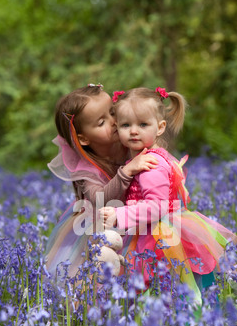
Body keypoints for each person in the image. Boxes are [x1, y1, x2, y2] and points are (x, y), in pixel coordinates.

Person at [100, 87, 237, 304]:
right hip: (156, 230)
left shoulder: (150, 165)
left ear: (160, 127)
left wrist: (119, 215)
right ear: (117, 127)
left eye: (143, 124)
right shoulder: (153, 156)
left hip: (158, 236)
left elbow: (157, 207)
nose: (134, 131)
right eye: (126, 125)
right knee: (170, 287)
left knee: (162, 287)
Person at [45, 84, 159, 280]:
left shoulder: (128, 144)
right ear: (83, 139)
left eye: (112, 113)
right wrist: (127, 172)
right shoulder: (85, 169)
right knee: (106, 271)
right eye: (101, 122)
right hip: (103, 227)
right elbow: (100, 200)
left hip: (136, 216)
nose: (114, 122)